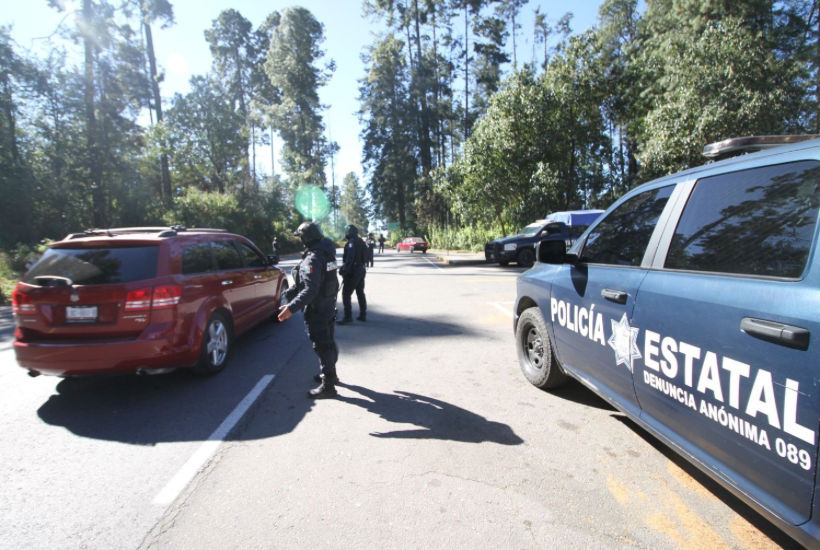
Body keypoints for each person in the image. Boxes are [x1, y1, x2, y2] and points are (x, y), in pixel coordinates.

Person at [278, 222, 340, 399]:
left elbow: (310, 289)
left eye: (301, 237)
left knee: (322, 345)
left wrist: (291, 308)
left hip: (318, 309)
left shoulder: (313, 258)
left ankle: (328, 385)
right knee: (328, 341)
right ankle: (331, 375)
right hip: (327, 305)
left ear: (306, 239)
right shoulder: (327, 253)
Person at [338, 224, 368, 324]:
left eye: (347, 231)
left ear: (350, 232)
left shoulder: (351, 242)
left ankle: (348, 317)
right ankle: (363, 314)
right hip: (361, 269)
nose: (345, 233)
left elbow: (350, 257)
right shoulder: (360, 241)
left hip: (354, 271)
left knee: (346, 294)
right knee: (360, 292)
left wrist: (345, 269)